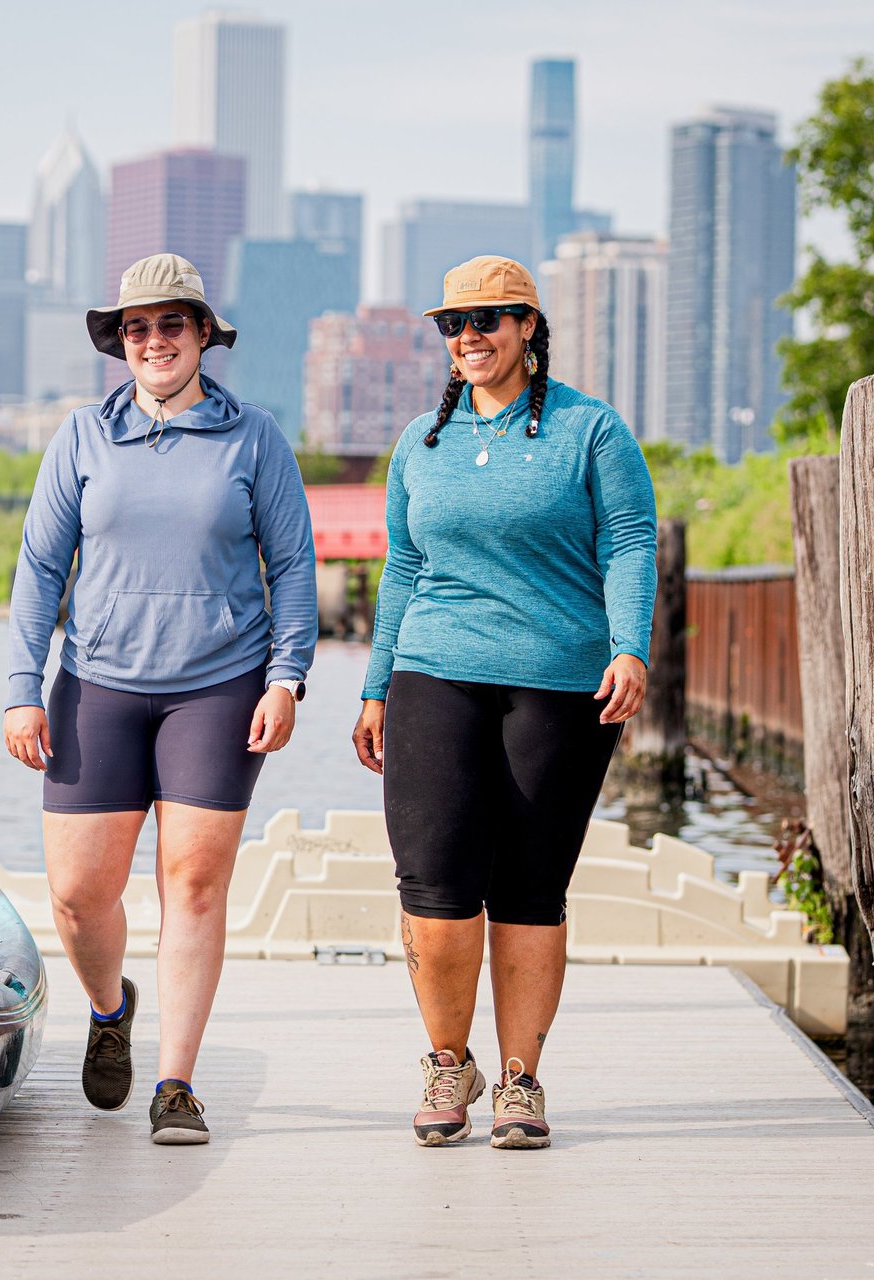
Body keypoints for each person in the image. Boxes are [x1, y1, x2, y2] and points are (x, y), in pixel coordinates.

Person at [5, 252, 316, 1145]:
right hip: (96, 686)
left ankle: (176, 1084)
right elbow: (38, 569)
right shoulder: (81, 436)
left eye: (171, 324)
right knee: (75, 894)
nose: (153, 341)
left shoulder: (254, 437)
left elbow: (294, 566)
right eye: (136, 328)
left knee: (194, 885)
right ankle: (111, 1011)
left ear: (202, 336)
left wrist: (287, 676)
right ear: (121, 342)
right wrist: (23, 689)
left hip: (219, 689)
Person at [351, 255, 657, 1150]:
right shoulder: (421, 442)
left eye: (487, 320)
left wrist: (628, 644)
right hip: (432, 673)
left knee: (529, 889)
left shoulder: (589, 431)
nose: (468, 337)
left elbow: (631, 541)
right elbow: (402, 565)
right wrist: (375, 683)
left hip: (558, 683)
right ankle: (450, 1063)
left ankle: (519, 1081)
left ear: (528, 327)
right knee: (435, 886)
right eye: (453, 324)